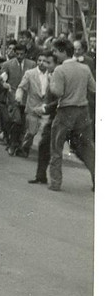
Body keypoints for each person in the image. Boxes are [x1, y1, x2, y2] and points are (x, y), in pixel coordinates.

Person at [46, 38, 95, 191]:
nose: (53, 54)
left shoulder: (59, 70)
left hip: (66, 110)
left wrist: (51, 81)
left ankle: (55, 182)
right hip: (83, 110)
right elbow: (94, 88)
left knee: (56, 146)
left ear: (62, 52)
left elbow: (58, 92)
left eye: (55, 51)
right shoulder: (85, 68)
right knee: (87, 147)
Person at [17, 50, 55, 179]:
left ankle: (41, 152)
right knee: (32, 131)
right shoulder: (30, 73)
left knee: (44, 131)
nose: (42, 63)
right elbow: (21, 86)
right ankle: (25, 147)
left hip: (45, 108)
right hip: (33, 107)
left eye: (45, 61)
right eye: (39, 60)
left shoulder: (52, 75)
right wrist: (19, 95)